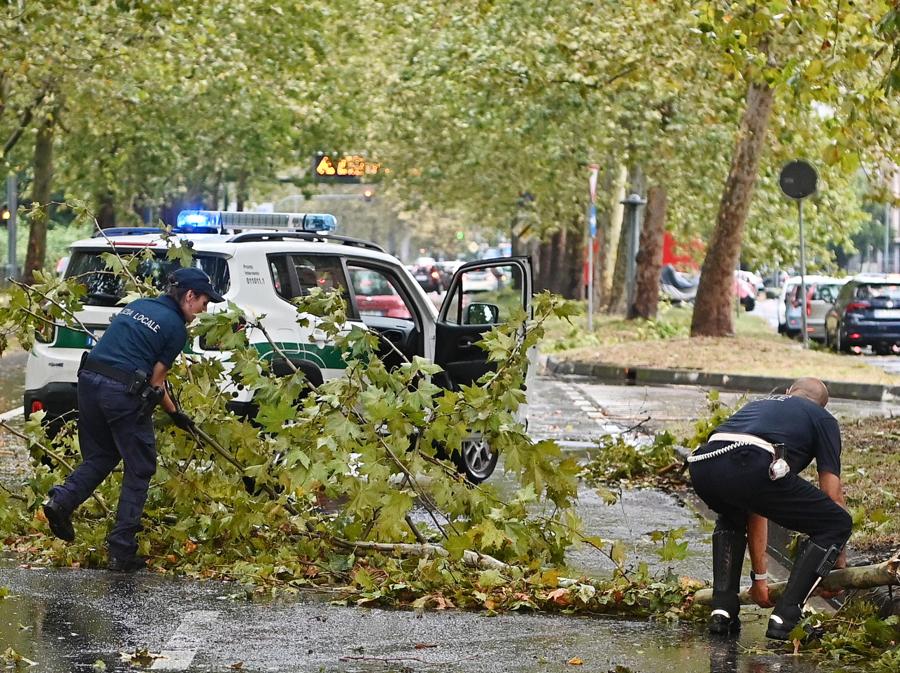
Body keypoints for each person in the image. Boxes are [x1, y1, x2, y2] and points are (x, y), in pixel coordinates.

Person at [42, 267, 224, 572]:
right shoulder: (177, 327)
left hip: (88, 381)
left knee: (102, 454)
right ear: (189, 296)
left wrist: (173, 411)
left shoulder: (138, 305)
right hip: (120, 392)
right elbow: (156, 380)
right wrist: (176, 414)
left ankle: (60, 501)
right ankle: (121, 551)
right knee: (140, 465)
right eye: (204, 303)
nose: (203, 311)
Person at [687, 377, 851, 640]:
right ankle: (787, 617)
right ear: (823, 405)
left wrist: (759, 580)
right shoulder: (823, 418)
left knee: (732, 514)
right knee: (837, 522)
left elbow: (755, 507)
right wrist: (838, 565)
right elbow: (832, 494)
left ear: (788, 392)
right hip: (750, 463)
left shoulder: (760, 404)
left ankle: (723, 609)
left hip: (703, 465)